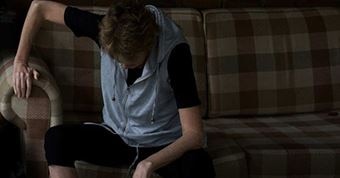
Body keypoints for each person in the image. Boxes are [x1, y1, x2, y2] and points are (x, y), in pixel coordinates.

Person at [12, 0, 216, 178]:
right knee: (56, 139)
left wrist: (149, 163)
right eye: (115, 59)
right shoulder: (104, 28)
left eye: (129, 62)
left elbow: (194, 134)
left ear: (148, 46)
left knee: (199, 164)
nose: (122, 66)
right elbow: (40, 7)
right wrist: (20, 61)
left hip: (162, 140)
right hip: (117, 134)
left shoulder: (176, 53)